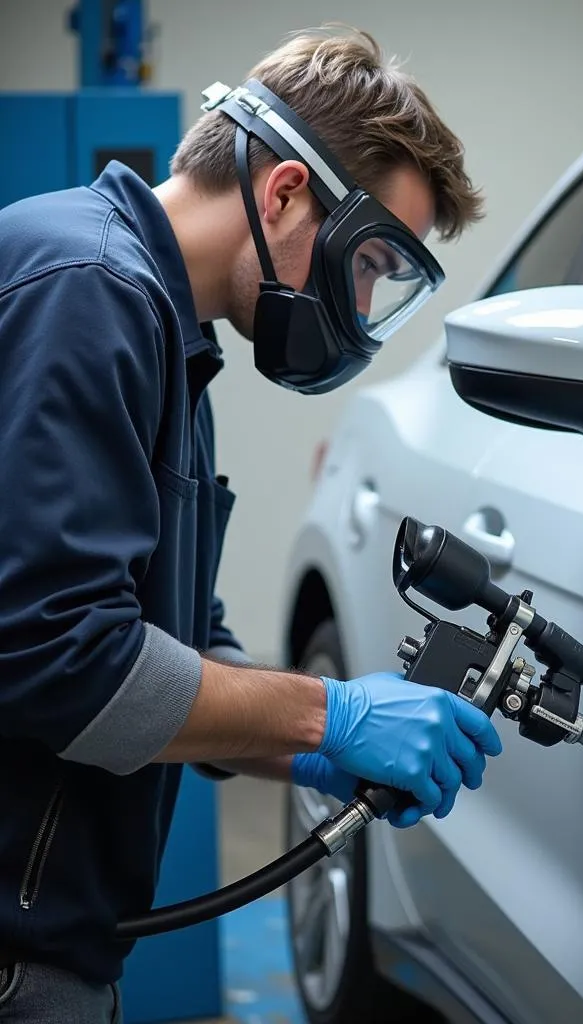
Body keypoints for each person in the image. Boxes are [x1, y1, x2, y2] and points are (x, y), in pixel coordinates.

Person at [0, 25, 500, 1022]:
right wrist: (333, 717)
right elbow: (61, 657)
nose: (361, 306)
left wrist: (318, 746)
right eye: (369, 266)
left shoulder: (157, 333)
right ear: (282, 192)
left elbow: (177, 648)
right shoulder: (87, 293)